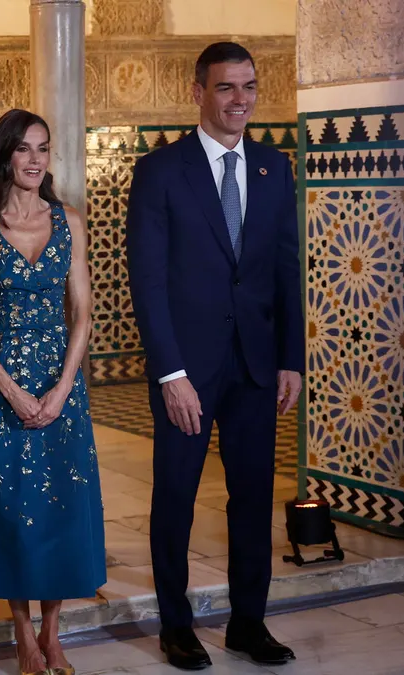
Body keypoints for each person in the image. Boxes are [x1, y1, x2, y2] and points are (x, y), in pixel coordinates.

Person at [125, 42, 304, 670]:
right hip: (187, 370)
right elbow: (146, 279)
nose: (240, 100)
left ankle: (248, 623)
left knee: (252, 496)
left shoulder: (273, 168)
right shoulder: (161, 171)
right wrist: (170, 372)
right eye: (227, 88)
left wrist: (291, 359)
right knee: (175, 493)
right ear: (198, 91)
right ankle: (177, 627)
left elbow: (287, 271)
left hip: (256, 365)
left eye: (249, 86)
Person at [0, 109, 105, 675]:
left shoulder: (71, 222)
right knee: (9, 508)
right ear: (4, 155)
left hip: (60, 386)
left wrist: (63, 387)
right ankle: (21, 632)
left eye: (44, 149)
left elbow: (83, 313)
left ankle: (53, 635)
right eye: (25, 149)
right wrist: (12, 391)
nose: (36, 160)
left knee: (59, 507)